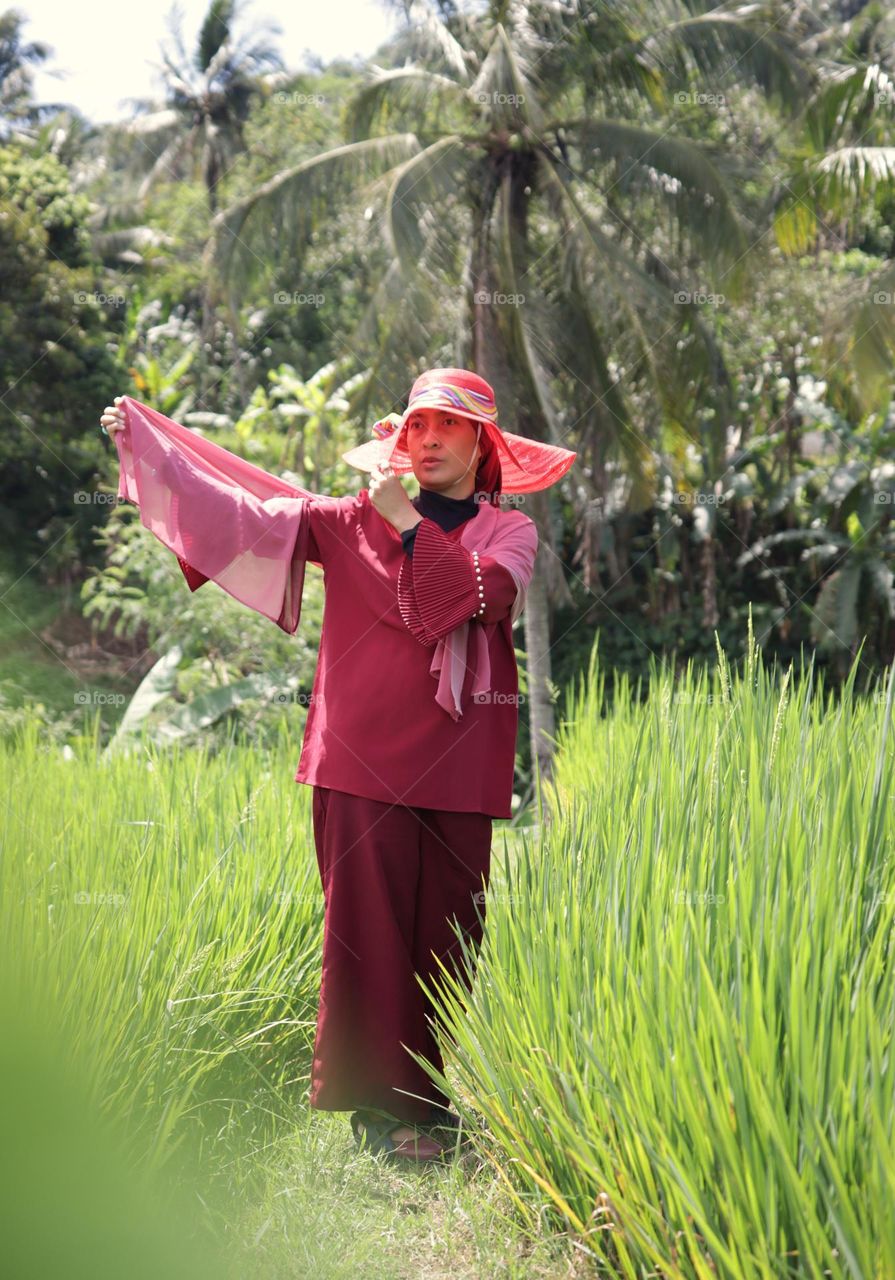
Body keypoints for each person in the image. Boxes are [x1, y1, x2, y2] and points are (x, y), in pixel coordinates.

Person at [100, 367, 576, 1164]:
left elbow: (461, 605)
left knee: (449, 935)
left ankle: (423, 1097)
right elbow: (241, 510)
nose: (425, 439)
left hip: (461, 766)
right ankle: (382, 1118)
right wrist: (153, 453)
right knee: (369, 934)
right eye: (414, 425)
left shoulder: (508, 534)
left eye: (446, 427)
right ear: (396, 440)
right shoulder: (347, 520)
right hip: (358, 762)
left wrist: (411, 527)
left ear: (481, 445)